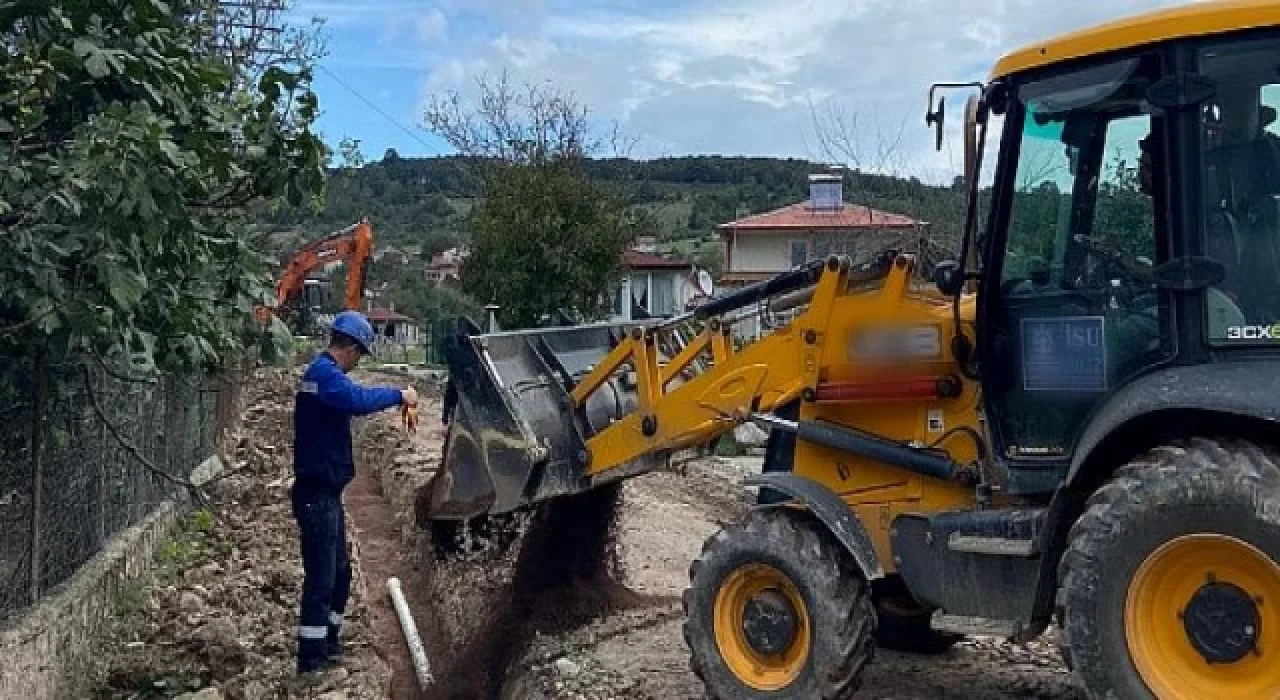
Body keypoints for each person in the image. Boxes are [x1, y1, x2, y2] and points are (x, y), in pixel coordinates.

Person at [291, 310, 417, 676]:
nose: (359, 361)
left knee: (340, 573)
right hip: (317, 495)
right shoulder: (325, 376)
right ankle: (312, 661)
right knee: (321, 578)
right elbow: (358, 400)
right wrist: (400, 394)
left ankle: (328, 643)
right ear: (350, 347)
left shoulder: (323, 375)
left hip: (325, 494)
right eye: (360, 353)